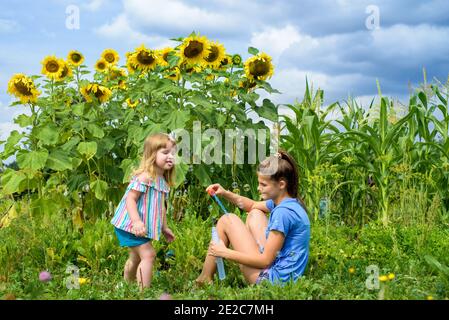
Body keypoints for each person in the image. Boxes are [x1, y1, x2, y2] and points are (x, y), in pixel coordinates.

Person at [196, 149, 310, 285]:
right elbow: (252, 205)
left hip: (271, 282)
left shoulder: (282, 213)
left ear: (281, 184)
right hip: (282, 275)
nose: (258, 188)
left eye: (263, 184)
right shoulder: (291, 203)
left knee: (227, 220)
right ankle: (205, 277)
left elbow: (266, 261)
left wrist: (225, 252)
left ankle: (204, 278)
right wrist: (225, 193)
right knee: (255, 212)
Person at [111, 133, 176, 289]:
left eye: (173, 153)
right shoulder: (145, 177)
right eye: (165, 153)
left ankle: (126, 285)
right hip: (130, 224)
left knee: (136, 257)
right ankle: (143, 292)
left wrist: (164, 227)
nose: (171, 157)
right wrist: (136, 221)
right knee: (148, 255)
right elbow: (130, 199)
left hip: (138, 227)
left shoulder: (162, 181)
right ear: (152, 154)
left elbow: (160, 206)